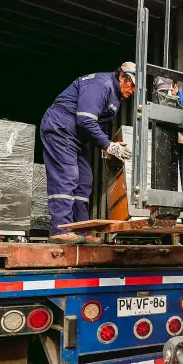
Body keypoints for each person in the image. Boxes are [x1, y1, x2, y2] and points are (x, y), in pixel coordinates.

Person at [41, 62, 136, 243]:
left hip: (76, 138)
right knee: (67, 176)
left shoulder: (115, 96)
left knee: (84, 180)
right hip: (60, 129)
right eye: (132, 85)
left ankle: (81, 230)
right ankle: (60, 229)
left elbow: (99, 124)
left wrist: (109, 146)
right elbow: (85, 121)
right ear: (123, 77)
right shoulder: (100, 85)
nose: (133, 91)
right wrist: (109, 146)